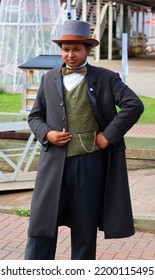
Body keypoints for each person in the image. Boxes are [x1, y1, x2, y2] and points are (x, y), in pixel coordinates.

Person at [25, 19, 144, 260]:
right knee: (41, 228)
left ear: (88, 49)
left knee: (84, 231)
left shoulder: (107, 78)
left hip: (88, 166)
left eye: (76, 49)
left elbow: (134, 105)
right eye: (66, 49)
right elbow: (35, 116)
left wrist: (107, 137)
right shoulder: (48, 79)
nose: (70, 55)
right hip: (52, 166)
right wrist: (47, 133)